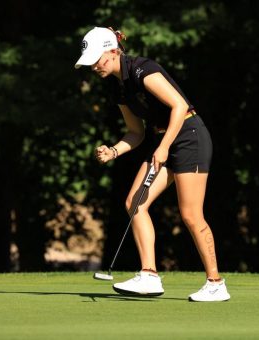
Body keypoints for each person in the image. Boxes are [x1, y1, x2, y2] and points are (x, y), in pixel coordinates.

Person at [75, 26, 230, 302]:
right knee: (135, 203)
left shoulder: (141, 69)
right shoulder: (117, 86)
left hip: (189, 136)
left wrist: (165, 146)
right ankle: (149, 275)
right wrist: (114, 151)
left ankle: (216, 283)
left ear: (113, 51)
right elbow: (136, 132)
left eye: (97, 59)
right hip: (165, 140)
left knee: (191, 214)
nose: (94, 67)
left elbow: (179, 106)